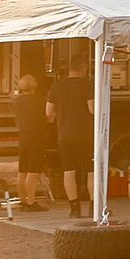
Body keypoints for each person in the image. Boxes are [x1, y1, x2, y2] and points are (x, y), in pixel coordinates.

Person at [54, 63, 96, 219]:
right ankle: (93, 207)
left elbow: (48, 111)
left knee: (69, 172)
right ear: (83, 69)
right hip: (85, 135)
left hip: (64, 136)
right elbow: (91, 108)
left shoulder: (56, 87)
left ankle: (74, 208)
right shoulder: (87, 85)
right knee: (91, 172)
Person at [11, 70, 55, 212]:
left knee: (22, 170)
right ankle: (31, 202)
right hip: (37, 136)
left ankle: (23, 201)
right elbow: (49, 117)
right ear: (34, 85)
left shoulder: (16, 101)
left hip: (23, 137)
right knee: (33, 170)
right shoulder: (40, 100)